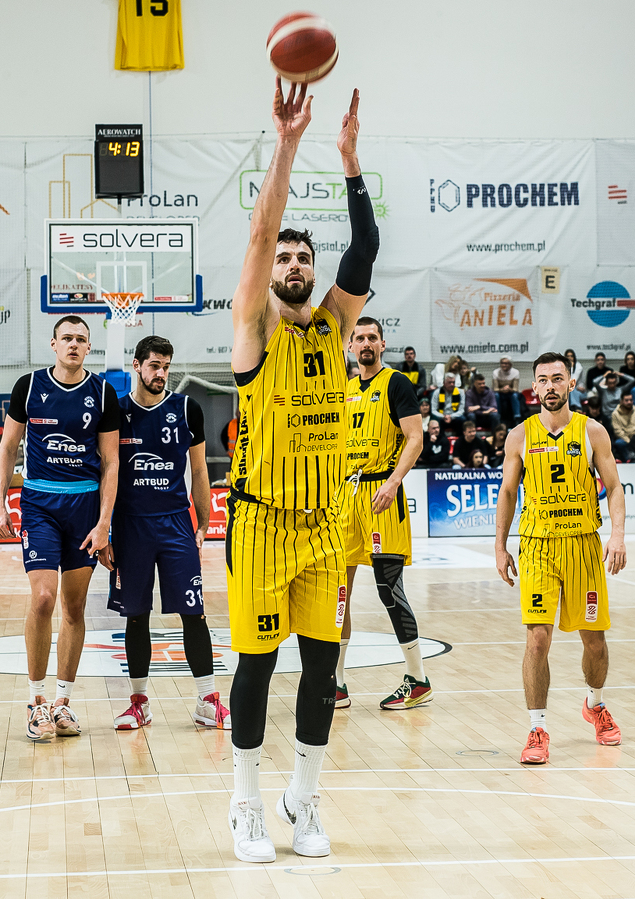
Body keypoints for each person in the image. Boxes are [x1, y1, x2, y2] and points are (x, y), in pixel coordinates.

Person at [222, 83, 375, 864]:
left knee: (322, 670)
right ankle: (245, 803)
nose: (292, 263)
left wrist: (348, 162)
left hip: (323, 527)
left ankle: (302, 798)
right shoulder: (255, 328)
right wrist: (287, 144)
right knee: (256, 666)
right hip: (259, 524)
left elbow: (365, 249)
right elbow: (258, 234)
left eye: (302, 257)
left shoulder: (335, 326)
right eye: (284, 256)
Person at [0, 316, 120, 743]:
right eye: (67, 338)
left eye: (81, 339)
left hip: (84, 507)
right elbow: (8, 447)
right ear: (53, 344)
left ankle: (62, 702)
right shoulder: (28, 386)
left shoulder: (102, 393)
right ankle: (36, 701)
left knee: (75, 608)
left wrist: (104, 523)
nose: (74, 344)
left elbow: (112, 462)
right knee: (43, 598)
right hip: (39, 503)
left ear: (88, 348)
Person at [495, 352, 626, 765]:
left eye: (557, 378)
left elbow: (614, 486)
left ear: (571, 383)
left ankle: (595, 704)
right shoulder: (519, 436)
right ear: (533, 386)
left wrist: (617, 535)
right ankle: (537, 728)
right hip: (538, 547)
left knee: (595, 643)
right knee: (537, 639)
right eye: (542, 379)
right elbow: (508, 492)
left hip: (583, 545)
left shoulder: (592, 431)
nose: (550, 386)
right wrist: (500, 546)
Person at [108, 335, 228, 731]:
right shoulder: (116, 411)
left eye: (166, 366)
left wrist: (203, 523)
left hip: (176, 523)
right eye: (154, 366)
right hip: (130, 526)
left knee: (194, 612)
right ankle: (139, 703)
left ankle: (208, 701)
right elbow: (105, 471)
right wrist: (105, 530)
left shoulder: (187, 409)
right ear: (137, 366)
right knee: (136, 616)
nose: (161, 373)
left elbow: (199, 469)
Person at [335, 316, 430, 712]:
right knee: (336, 592)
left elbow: (415, 438)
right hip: (346, 496)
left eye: (372, 337)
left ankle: (418, 678)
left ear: (382, 344)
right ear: (350, 346)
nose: (366, 343)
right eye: (359, 338)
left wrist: (392, 482)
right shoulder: (343, 388)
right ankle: (336, 682)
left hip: (381, 495)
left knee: (388, 589)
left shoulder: (396, 383)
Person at [609, 390, 635, 462]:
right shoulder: (615, 414)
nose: (629, 402)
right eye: (626, 400)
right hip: (624, 439)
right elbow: (618, 431)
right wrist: (629, 441)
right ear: (621, 401)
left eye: (631, 400)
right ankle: (629, 460)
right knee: (619, 443)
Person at [430, 373, 466, 437]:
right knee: (435, 420)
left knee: (462, 419)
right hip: (441, 417)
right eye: (449, 382)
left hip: (455, 417)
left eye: (453, 382)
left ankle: (460, 439)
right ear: (444, 383)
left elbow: (461, 410)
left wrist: (451, 416)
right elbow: (433, 410)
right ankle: (440, 440)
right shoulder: (437, 392)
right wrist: (443, 416)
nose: (452, 384)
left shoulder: (460, 392)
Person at [492, 357, 521, 424]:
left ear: (510, 364)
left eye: (506, 363)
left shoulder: (515, 372)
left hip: (510, 393)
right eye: (502, 363)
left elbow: (516, 389)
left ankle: (517, 416)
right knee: (496, 395)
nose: (503, 365)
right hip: (500, 393)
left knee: (515, 396)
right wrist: (502, 389)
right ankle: (498, 415)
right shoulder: (496, 372)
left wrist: (509, 389)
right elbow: (495, 389)